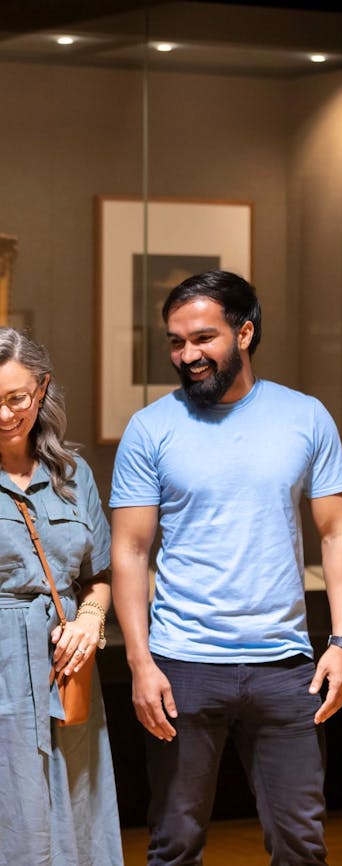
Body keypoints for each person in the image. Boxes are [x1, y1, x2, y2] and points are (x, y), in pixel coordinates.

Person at [110, 270, 342, 866]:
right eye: (175, 341)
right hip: (183, 668)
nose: (187, 355)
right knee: (174, 844)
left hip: (287, 668)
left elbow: (338, 529)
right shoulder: (150, 429)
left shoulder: (306, 417)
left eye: (202, 338)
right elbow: (130, 551)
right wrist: (140, 663)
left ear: (244, 332)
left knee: (302, 843)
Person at [0, 328, 123, 866]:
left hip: (66, 671)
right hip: (3, 669)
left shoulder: (71, 474)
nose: (4, 415)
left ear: (43, 389)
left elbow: (98, 575)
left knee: (75, 809)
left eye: (15, 399)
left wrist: (89, 620)